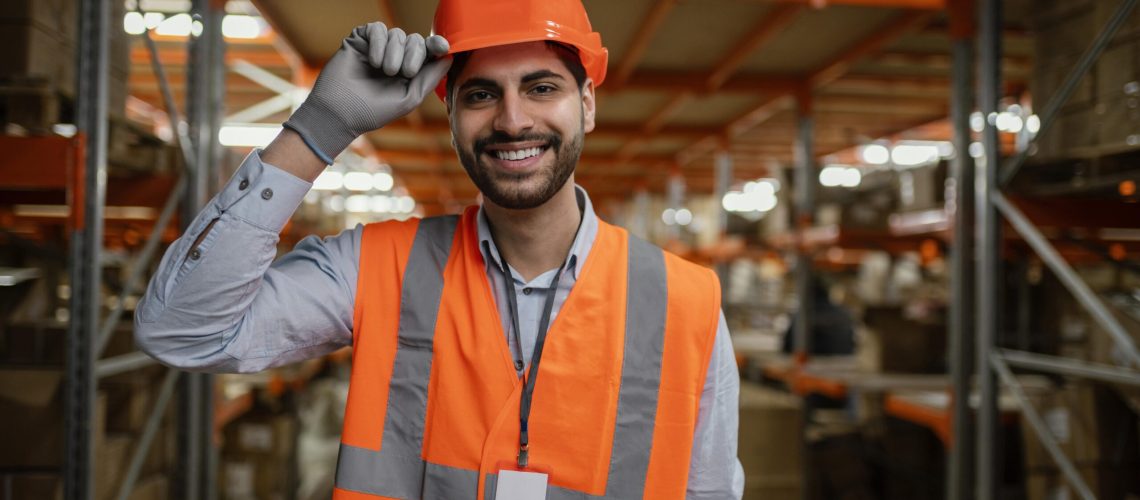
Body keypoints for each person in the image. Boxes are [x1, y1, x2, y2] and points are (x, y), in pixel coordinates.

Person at [135, 0, 743, 498]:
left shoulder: (684, 304)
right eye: (480, 95)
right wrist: (320, 127)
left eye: (541, 87)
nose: (511, 121)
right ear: (448, 111)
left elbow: (708, 490)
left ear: (586, 102)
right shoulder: (375, 267)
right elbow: (181, 330)